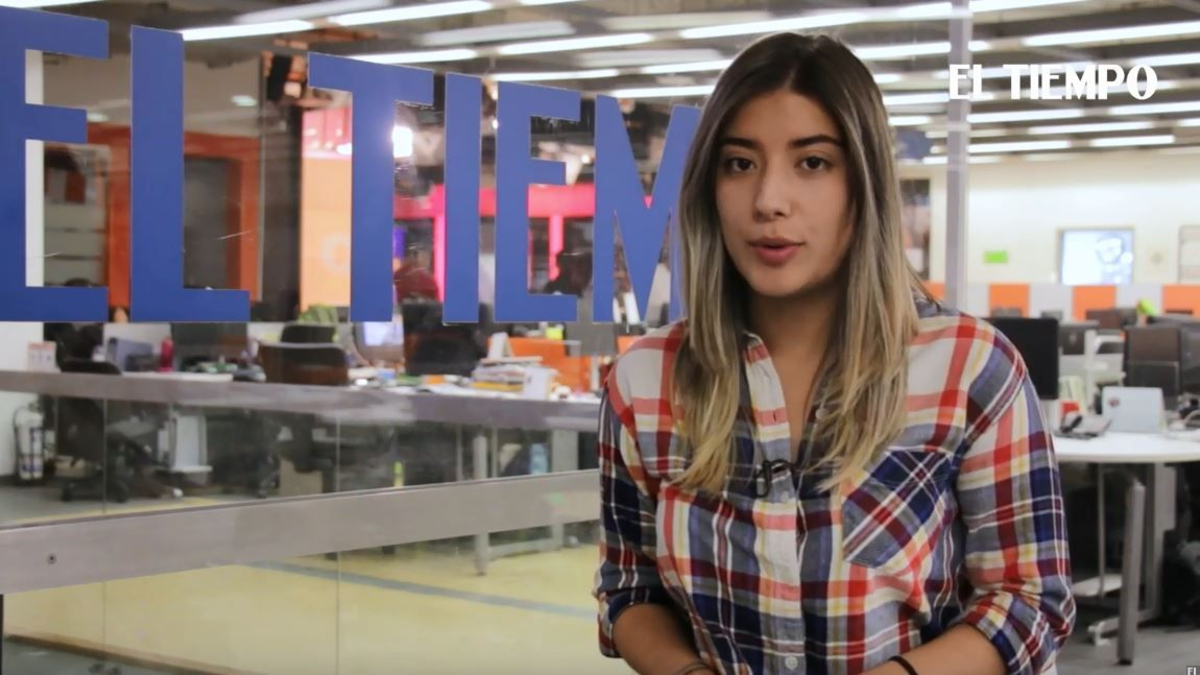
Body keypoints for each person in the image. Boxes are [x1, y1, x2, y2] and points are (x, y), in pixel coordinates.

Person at [592, 32, 1075, 675]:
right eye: (739, 163)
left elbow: (1029, 602)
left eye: (813, 162)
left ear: (862, 184)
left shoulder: (969, 369)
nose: (769, 200)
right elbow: (630, 589)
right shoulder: (645, 381)